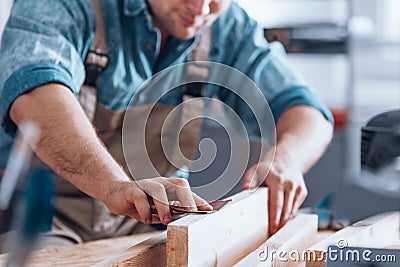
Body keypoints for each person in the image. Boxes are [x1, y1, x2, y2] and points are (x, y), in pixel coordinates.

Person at [0, 0, 333, 249]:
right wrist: (114, 186)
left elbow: (306, 110)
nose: (201, 8)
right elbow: (35, 96)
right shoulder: (66, 5)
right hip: (39, 224)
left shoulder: (225, 27)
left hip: (150, 236)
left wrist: (286, 161)